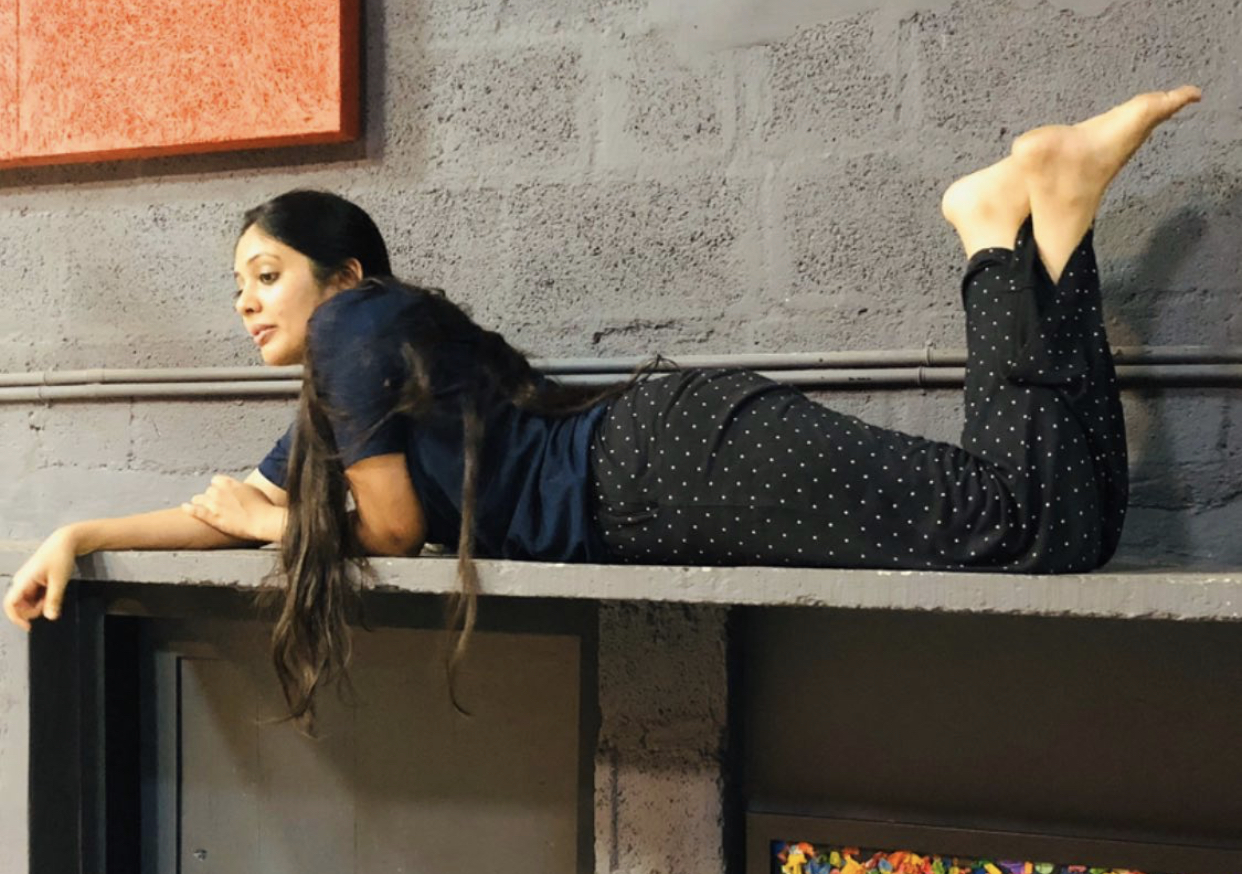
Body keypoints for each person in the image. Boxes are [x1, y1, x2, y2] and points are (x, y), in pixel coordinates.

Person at [5, 87, 1203, 723]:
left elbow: (389, 530)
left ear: (347, 274)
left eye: (266, 274)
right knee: (1067, 529)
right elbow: (228, 504)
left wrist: (280, 523)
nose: (246, 302)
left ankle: (992, 232)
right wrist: (78, 534)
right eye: (237, 287)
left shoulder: (354, 330)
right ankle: (1047, 219)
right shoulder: (352, 381)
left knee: (1021, 526)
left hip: (664, 474)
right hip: (668, 461)